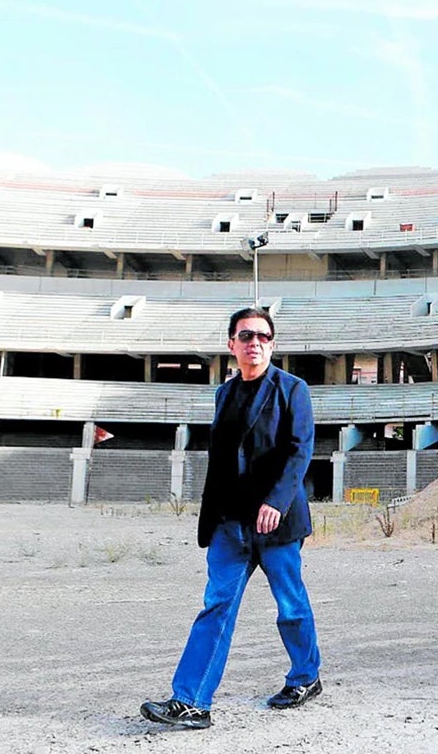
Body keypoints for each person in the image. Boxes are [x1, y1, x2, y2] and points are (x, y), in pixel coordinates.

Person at [141, 308, 321, 730]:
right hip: (230, 524)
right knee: (216, 607)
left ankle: (305, 676)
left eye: (262, 336)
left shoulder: (292, 389)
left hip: (277, 522)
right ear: (231, 345)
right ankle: (191, 701)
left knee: (291, 606)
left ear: (272, 345)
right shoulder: (224, 394)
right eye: (245, 336)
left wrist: (275, 501)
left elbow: (300, 450)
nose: (253, 342)